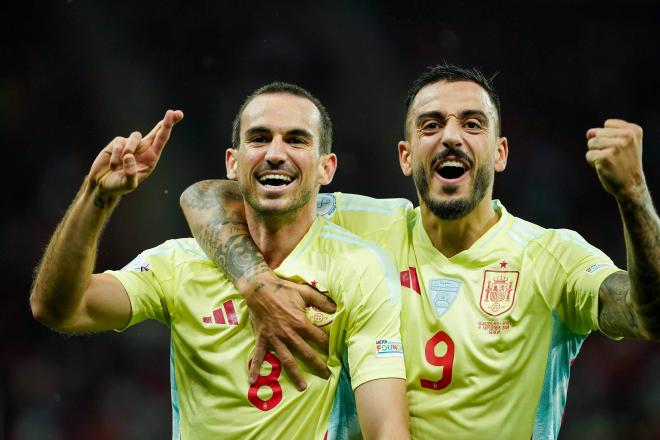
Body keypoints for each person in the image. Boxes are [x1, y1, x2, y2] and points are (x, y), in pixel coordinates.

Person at [180, 64, 660, 439]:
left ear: (500, 152)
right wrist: (256, 283)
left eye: (472, 124)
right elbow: (206, 196)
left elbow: (649, 317)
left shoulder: (552, 257)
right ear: (407, 154)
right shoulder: (357, 223)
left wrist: (635, 195)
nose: (450, 136)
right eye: (431, 125)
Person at [30, 83, 410, 439]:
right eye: (259, 138)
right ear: (232, 162)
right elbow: (59, 308)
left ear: (326, 168)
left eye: (296, 140)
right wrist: (95, 196)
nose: (275, 153)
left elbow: (386, 428)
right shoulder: (179, 264)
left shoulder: (359, 267)